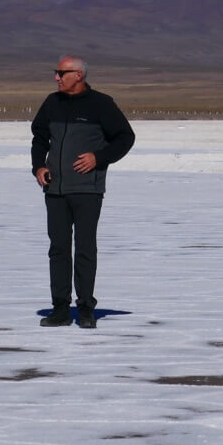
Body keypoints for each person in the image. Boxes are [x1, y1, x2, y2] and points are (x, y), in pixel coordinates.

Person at [31, 56, 135, 329]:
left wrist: (99, 158)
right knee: (59, 250)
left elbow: (125, 137)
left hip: (87, 189)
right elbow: (39, 136)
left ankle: (86, 308)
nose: (56, 78)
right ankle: (60, 309)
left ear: (78, 75)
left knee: (85, 249)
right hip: (55, 189)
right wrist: (38, 166)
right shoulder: (52, 103)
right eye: (56, 73)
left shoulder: (101, 104)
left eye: (61, 73)